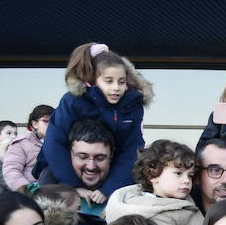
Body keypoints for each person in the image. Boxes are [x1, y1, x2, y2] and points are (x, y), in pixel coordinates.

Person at [40, 42, 152, 198]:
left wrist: (110, 189)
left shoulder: (132, 105)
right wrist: (72, 185)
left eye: (121, 81)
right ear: (94, 80)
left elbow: (131, 149)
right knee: (49, 193)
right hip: (62, 168)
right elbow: (55, 141)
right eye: (108, 81)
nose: (116, 88)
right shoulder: (74, 100)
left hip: (110, 170)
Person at [2, 105, 53, 191]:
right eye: (46, 121)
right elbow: (11, 170)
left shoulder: (58, 143)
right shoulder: (21, 143)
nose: (51, 125)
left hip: (55, 195)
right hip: (32, 196)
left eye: (53, 121)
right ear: (35, 124)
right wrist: (28, 190)